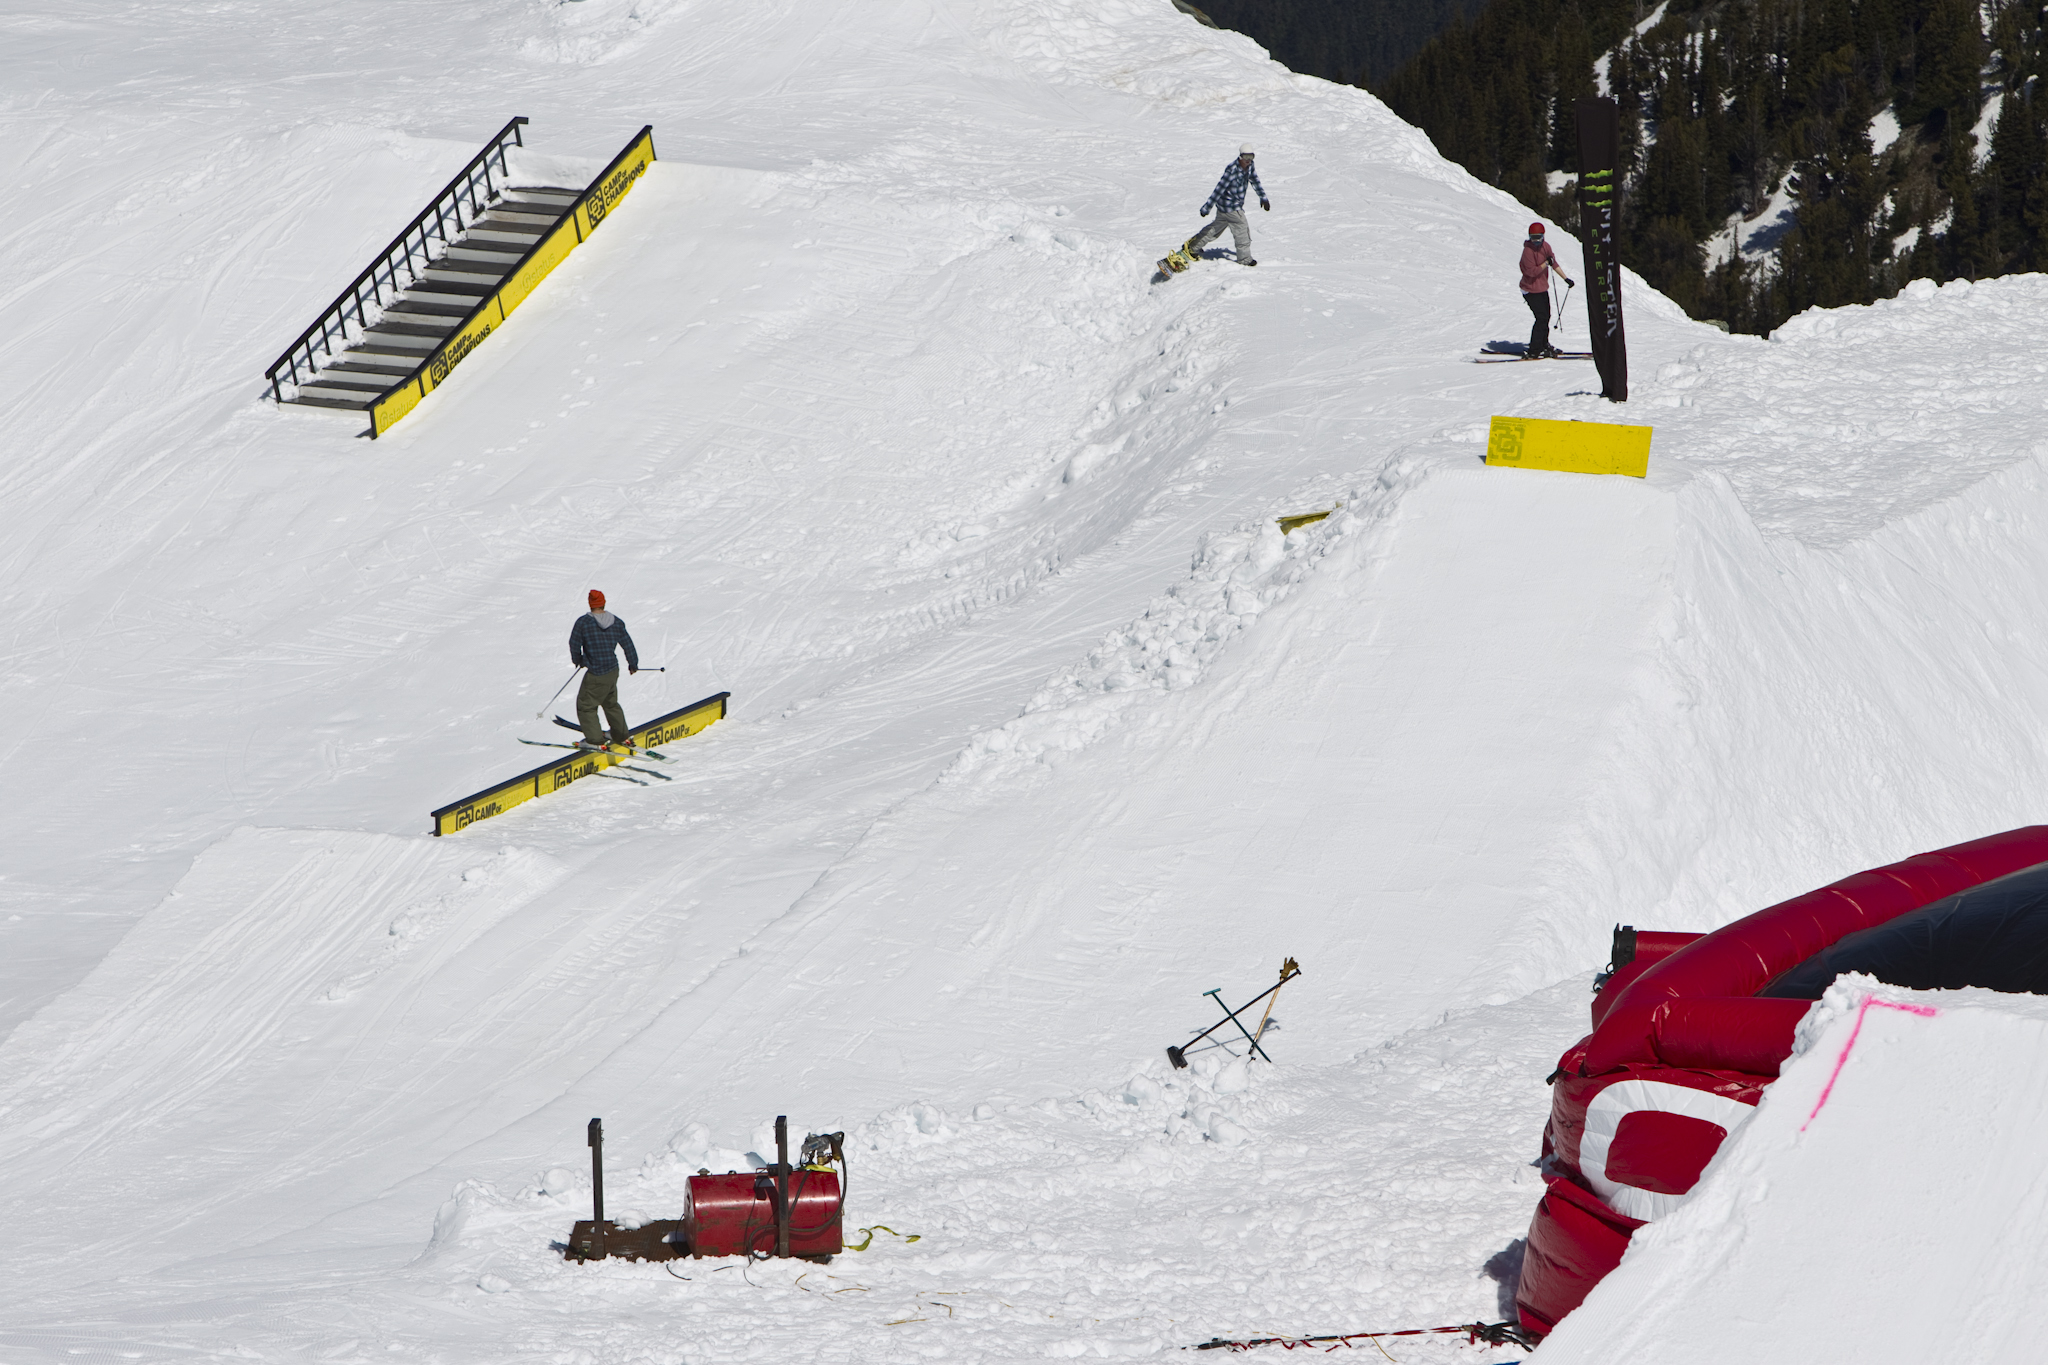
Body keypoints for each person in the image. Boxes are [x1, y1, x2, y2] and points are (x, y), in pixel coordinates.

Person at [569, 589, 639, 749]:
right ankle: (620, 735)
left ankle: (594, 740)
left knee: (586, 705)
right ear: (603, 603)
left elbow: (574, 644)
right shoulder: (616, 621)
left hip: (596, 672)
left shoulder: (583, 622)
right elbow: (627, 643)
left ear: (590, 604)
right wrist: (633, 663)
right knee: (610, 703)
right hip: (612, 670)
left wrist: (578, 660)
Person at [1186, 144, 1271, 266]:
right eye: (1246, 157)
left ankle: (1193, 247)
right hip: (1232, 208)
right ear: (1240, 156)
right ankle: (1244, 259)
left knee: (1214, 230)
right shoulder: (1232, 170)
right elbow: (1218, 189)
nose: (1248, 160)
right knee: (1242, 231)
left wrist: (1263, 197)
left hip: (1224, 208)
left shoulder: (1250, 166)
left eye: (1251, 157)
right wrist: (1207, 207)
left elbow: (1255, 180)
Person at [1520, 223, 1575, 359]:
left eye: (1538, 237)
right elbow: (1532, 272)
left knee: (1546, 317)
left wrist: (1565, 278)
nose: (1536, 241)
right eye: (1533, 238)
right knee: (1541, 318)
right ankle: (1534, 350)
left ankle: (1543, 344)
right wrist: (1545, 263)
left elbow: (1553, 263)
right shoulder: (1528, 251)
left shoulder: (1546, 247)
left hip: (1542, 288)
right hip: (1530, 290)